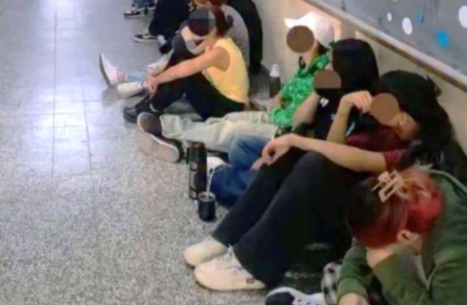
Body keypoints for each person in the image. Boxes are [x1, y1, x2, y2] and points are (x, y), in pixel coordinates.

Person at [183, 71, 454, 294]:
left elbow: (361, 161)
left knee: (312, 164)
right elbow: (335, 148)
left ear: (405, 115)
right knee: (296, 157)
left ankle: (254, 266)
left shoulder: (421, 152)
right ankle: (226, 237)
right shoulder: (384, 130)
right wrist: (344, 109)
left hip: (360, 222)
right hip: (344, 201)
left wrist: (295, 139)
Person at [134, 11, 333, 162]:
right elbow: (285, 92)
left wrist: (316, 91)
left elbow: (300, 121)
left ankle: (167, 129)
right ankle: (191, 140)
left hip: (283, 130)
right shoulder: (306, 65)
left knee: (229, 130)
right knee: (228, 120)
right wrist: (275, 100)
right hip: (274, 116)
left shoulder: (322, 74)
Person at [212, 38, 379, 207]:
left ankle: (244, 181)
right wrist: (317, 91)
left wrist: (343, 107)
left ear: (345, 69)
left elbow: (330, 158)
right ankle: (255, 181)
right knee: (240, 147)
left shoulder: (360, 107)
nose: (325, 68)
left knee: (259, 177)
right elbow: (298, 120)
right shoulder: (331, 90)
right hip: (299, 146)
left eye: (330, 64)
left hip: (312, 166)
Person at [270, 166, 467, 305]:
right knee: (336, 273)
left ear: (405, 236)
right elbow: (361, 245)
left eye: (379, 244)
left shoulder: (453, 254)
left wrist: (390, 272)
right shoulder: (398, 197)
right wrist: (350, 291)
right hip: (413, 282)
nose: (369, 248)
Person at [122, 8, 249, 127]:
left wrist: (157, 79)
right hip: (220, 95)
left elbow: (184, 68)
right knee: (180, 56)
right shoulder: (215, 39)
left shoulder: (219, 51)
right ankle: (155, 98)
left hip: (228, 109)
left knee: (185, 75)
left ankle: (152, 107)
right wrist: (156, 74)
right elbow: (193, 51)